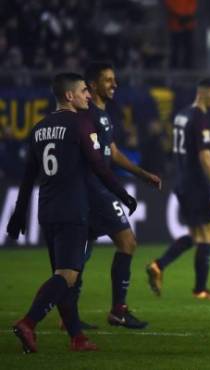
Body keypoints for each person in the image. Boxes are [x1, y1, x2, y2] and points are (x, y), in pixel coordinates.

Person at [7, 73, 137, 353]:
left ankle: (77, 337)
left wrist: (19, 214)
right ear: (69, 96)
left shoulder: (39, 128)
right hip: (73, 209)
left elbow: (29, 177)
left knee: (64, 275)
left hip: (47, 210)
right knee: (67, 275)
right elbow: (99, 166)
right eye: (83, 91)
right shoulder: (81, 123)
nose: (88, 95)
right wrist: (122, 193)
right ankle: (29, 322)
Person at [82, 61, 161, 329]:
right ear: (92, 85)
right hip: (95, 189)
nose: (114, 84)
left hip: (95, 189)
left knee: (81, 254)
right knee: (127, 243)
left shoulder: (104, 114)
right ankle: (118, 310)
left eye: (114, 80)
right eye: (108, 80)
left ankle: (68, 316)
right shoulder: (87, 114)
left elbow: (113, 153)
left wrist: (142, 174)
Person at [146, 78, 210, 300]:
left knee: (195, 235)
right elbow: (205, 155)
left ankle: (158, 265)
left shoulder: (182, 114)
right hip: (197, 183)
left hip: (181, 180)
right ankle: (200, 289)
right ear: (202, 93)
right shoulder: (201, 118)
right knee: (208, 235)